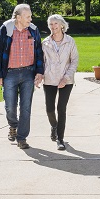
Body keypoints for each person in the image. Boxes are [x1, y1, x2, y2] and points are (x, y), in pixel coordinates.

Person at [0, 4, 44, 149]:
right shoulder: (6, 29)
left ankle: (22, 137)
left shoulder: (33, 30)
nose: (30, 19)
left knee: (26, 107)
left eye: (30, 16)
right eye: (28, 16)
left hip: (28, 73)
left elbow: (39, 52)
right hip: (10, 74)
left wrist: (39, 72)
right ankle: (13, 126)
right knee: (10, 106)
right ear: (19, 17)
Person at [41, 14, 79, 150]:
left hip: (66, 81)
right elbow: (41, 62)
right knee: (49, 109)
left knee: (61, 109)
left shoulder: (70, 41)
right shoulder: (45, 42)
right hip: (50, 79)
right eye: (51, 24)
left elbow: (74, 61)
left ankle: (60, 139)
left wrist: (66, 78)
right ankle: (54, 126)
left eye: (55, 24)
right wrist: (40, 75)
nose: (53, 27)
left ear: (62, 25)